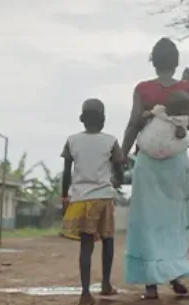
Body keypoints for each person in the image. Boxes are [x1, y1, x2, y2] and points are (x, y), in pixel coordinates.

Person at [122, 37, 189, 300]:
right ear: (176, 62)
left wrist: (122, 154)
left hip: (148, 163)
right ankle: (175, 275)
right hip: (176, 162)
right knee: (173, 222)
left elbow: (133, 124)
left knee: (147, 221)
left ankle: (150, 285)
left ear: (153, 61)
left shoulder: (142, 89)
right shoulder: (186, 87)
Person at [60, 98, 125, 305]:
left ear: (82, 119)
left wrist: (64, 196)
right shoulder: (111, 141)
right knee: (108, 240)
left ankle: (85, 293)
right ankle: (106, 284)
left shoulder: (72, 141)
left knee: (86, 246)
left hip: (81, 198)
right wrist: (116, 182)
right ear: (103, 119)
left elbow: (66, 173)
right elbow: (119, 170)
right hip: (103, 198)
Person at [136, 90, 189, 159]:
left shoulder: (178, 118)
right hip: (165, 150)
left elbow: (181, 131)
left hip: (150, 147)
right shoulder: (163, 111)